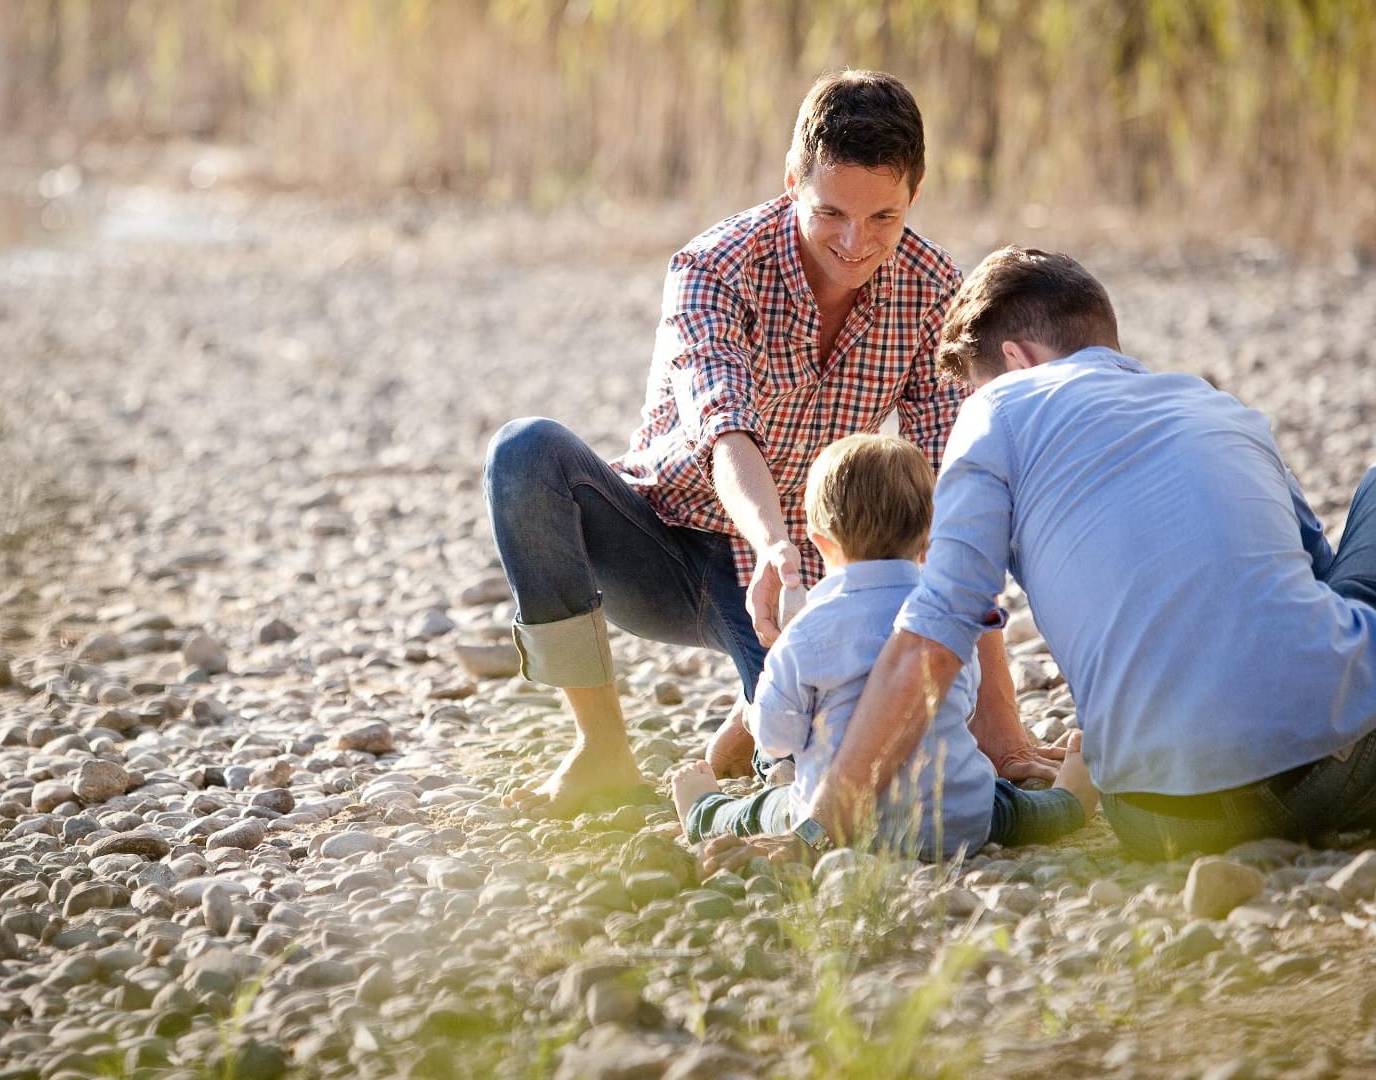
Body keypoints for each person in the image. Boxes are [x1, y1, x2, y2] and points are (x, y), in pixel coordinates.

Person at [484, 70, 1058, 818]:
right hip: (664, 541)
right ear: (793, 183)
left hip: (803, 585)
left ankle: (742, 725)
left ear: (915, 193)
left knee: (806, 776)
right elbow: (725, 431)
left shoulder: (932, 288)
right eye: (831, 213)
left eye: (883, 216)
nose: (856, 244)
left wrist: (1001, 732)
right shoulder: (712, 268)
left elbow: (954, 503)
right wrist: (772, 543)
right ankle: (599, 750)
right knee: (525, 452)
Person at [707, 245, 1376, 871]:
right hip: (1338, 769)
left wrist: (815, 832)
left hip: (1162, 818)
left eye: (970, 387)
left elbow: (934, 637)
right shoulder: (1223, 410)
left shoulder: (998, 411)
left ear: (1015, 360)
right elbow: (1315, 581)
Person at [672, 433, 1095, 859]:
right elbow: (964, 704)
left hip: (839, 826)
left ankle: (705, 811)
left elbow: (776, 739)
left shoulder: (808, 631)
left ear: (821, 544)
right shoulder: (946, 616)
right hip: (958, 821)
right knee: (1012, 808)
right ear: (929, 540)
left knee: (767, 809)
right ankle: (1071, 802)